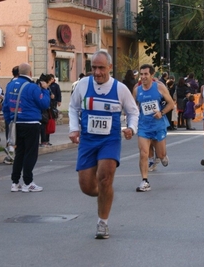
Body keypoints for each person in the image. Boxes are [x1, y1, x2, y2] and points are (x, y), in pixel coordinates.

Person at [68, 50, 139, 239]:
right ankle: (106, 194)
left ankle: (103, 223)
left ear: (110, 67)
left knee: (105, 178)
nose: (97, 72)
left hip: (110, 140)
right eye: (94, 68)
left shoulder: (120, 88)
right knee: (87, 187)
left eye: (101, 68)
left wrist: (131, 128)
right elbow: (73, 108)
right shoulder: (83, 85)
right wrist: (74, 129)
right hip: (88, 141)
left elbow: (133, 112)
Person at [3, 63, 50, 192]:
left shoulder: (10, 85)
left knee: (20, 153)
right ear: (30, 73)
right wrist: (45, 90)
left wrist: (9, 121)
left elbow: (6, 105)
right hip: (31, 123)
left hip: (16, 123)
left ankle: (15, 182)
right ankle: (28, 183)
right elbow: (44, 104)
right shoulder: (32, 87)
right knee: (31, 153)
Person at [133, 64, 174, 192]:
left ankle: (163, 156)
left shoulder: (160, 87)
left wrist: (161, 113)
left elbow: (171, 103)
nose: (143, 77)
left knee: (161, 154)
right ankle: (145, 181)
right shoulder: (137, 90)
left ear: (152, 75)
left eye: (146, 74)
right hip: (144, 127)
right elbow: (133, 107)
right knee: (143, 153)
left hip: (158, 126)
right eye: (141, 74)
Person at [3, 66, 19, 165]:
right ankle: (12, 154)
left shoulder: (9, 84)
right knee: (15, 136)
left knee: (10, 135)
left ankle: (10, 154)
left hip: (9, 112)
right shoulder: (23, 84)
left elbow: (6, 99)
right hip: (18, 114)